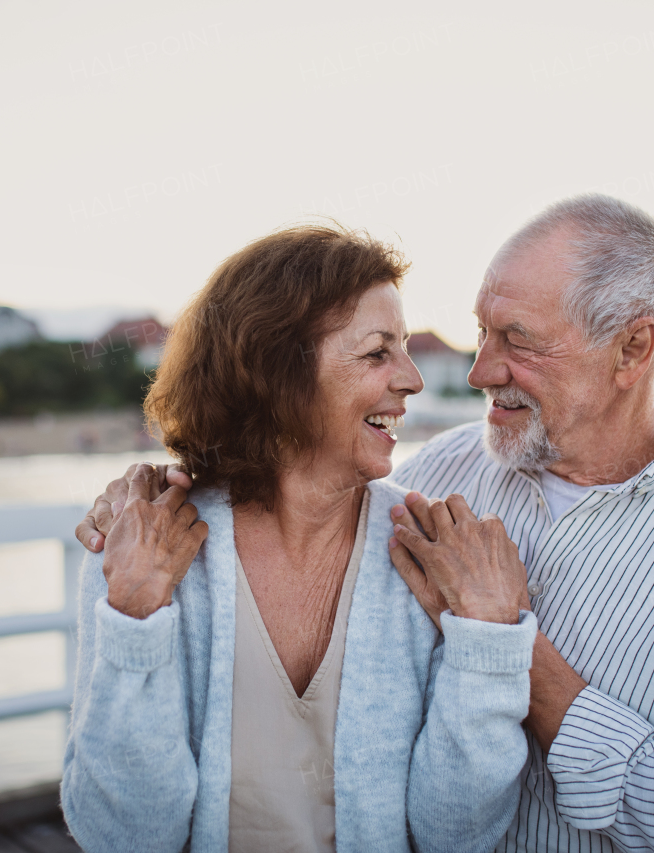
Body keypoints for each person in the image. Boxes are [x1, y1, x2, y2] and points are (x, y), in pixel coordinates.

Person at [79, 195, 654, 853]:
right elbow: (294, 484)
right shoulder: (429, 481)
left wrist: (509, 649)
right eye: (482, 332)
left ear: (632, 347)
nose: (475, 373)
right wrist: (142, 509)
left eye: (518, 338)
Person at [61, 224, 538, 853]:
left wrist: (487, 645)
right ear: (277, 374)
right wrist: (133, 618)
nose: (413, 380)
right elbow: (125, 837)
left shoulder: (426, 555)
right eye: (377, 353)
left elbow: (456, 835)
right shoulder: (140, 547)